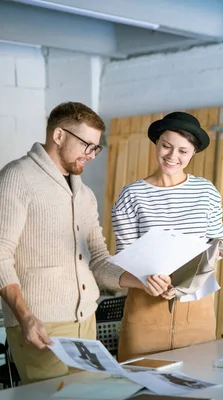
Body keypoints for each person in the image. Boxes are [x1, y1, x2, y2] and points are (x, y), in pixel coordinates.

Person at [0, 102, 169, 384]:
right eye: (86, 145)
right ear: (58, 136)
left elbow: (99, 259)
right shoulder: (17, 177)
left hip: (85, 321)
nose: (91, 155)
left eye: (95, 148)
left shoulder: (84, 193)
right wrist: (25, 316)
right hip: (41, 324)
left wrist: (142, 280)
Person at [112, 111, 223, 362]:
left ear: (193, 153)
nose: (173, 156)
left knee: (197, 381)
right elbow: (125, 259)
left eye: (183, 151)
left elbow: (215, 246)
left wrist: (197, 270)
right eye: (166, 146)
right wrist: (146, 281)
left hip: (197, 310)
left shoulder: (207, 192)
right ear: (157, 144)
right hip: (145, 310)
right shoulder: (132, 195)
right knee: (140, 386)